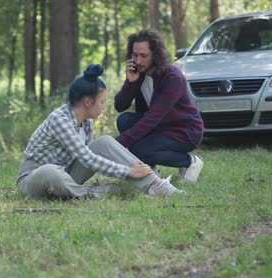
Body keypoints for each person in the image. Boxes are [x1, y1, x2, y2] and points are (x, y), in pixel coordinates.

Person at [17, 64, 184, 199]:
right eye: (102, 102)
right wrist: (127, 171)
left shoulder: (87, 121)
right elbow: (88, 159)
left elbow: (93, 155)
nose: (104, 107)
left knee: (104, 141)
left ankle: (154, 184)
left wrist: (129, 166)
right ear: (88, 101)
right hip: (35, 178)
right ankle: (93, 192)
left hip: (67, 173)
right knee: (51, 171)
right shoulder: (60, 120)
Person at [114, 29, 204, 182]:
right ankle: (151, 168)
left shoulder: (172, 77)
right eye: (135, 55)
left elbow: (152, 118)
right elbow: (120, 105)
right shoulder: (139, 73)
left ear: (155, 55)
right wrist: (131, 82)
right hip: (159, 127)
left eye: (143, 56)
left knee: (139, 149)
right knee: (124, 120)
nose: (138, 61)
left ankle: (190, 162)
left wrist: (117, 144)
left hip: (184, 131)